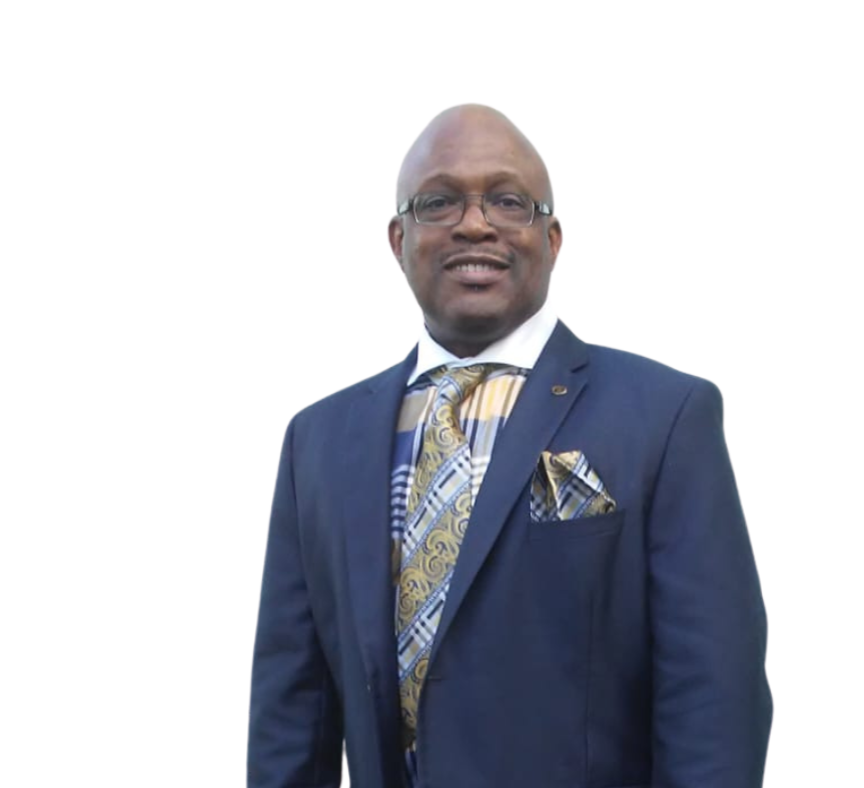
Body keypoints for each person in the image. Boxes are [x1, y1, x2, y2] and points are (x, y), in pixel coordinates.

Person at [247, 104, 772, 788]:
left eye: (508, 200)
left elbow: (714, 697)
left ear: (552, 239)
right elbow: (294, 708)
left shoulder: (664, 418)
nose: (475, 222)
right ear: (397, 239)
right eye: (439, 201)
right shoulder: (318, 441)